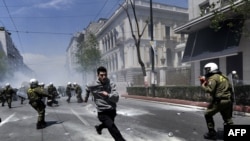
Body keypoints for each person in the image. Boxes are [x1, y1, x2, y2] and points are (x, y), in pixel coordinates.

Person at [85, 66, 126, 141]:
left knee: (109, 124)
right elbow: (87, 87)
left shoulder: (111, 84)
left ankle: (99, 127)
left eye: (105, 75)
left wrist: (108, 95)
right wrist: (86, 97)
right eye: (101, 75)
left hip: (112, 110)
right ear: (98, 75)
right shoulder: (92, 84)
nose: (104, 77)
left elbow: (116, 97)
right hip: (102, 112)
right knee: (112, 127)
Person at [200, 62, 234, 140]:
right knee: (228, 119)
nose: (206, 71)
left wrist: (203, 85)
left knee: (207, 114)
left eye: (207, 69)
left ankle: (212, 133)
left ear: (212, 69)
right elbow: (230, 88)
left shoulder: (213, 78)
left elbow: (210, 90)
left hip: (219, 101)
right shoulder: (224, 76)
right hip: (228, 100)